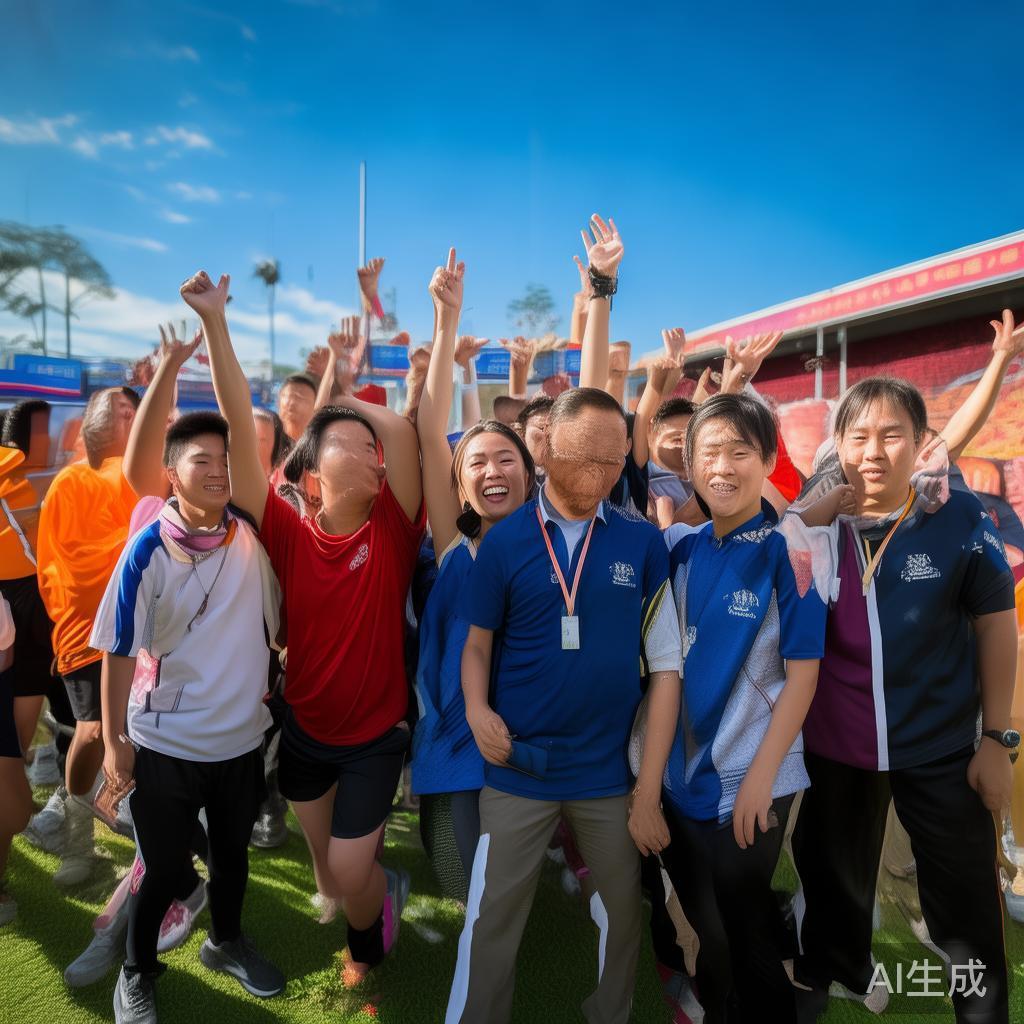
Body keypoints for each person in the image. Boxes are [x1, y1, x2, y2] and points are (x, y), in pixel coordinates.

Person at [189, 268, 425, 986]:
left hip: (376, 739)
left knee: (351, 871)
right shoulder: (287, 532)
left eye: (370, 447)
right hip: (306, 734)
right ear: (312, 476)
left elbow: (407, 440)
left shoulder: (391, 527)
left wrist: (346, 395)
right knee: (327, 873)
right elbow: (235, 423)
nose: (369, 452)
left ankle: (367, 943)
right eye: (347, 444)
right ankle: (368, 895)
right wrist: (215, 324)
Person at [445, 385, 682, 1024]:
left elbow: (665, 670)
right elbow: (475, 646)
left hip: (608, 772)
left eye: (614, 462)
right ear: (545, 448)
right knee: (494, 916)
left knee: (625, 912)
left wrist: (648, 790)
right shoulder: (504, 543)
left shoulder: (641, 543)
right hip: (516, 765)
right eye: (585, 459)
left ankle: (609, 1012)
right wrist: (475, 711)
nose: (600, 476)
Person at [791, 376, 1017, 1024]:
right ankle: (839, 973)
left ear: (921, 442)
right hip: (836, 752)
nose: (873, 450)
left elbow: (997, 623)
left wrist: (997, 740)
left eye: (892, 434)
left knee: (967, 912)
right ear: (838, 443)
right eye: (858, 435)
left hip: (942, 749)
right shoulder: (814, 520)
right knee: (833, 886)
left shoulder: (957, 514)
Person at [93, 398, 285, 1023]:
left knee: (232, 858)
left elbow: (277, 627)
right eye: (202, 460)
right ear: (171, 474)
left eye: (225, 459)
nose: (219, 470)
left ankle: (224, 942)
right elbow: (117, 649)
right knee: (164, 866)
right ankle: (135, 972)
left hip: (240, 742)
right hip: (165, 744)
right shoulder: (147, 549)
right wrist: (118, 742)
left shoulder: (250, 533)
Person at [660, 393, 828, 1023]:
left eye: (740, 451)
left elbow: (803, 677)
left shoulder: (796, 550)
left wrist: (761, 776)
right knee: (710, 924)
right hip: (682, 774)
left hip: (758, 773)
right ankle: (719, 1005)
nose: (723, 466)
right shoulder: (680, 547)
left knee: (743, 912)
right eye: (710, 451)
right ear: (690, 463)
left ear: (767, 460)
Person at [411, 249, 536, 902]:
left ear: (530, 476)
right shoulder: (452, 544)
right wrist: (445, 318)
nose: (492, 471)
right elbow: (432, 435)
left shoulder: (551, 546)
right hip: (450, 748)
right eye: (477, 462)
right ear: (460, 485)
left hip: (528, 751)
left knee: (509, 889)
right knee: (464, 887)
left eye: (507, 459)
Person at [34, 385, 140, 886]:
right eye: (122, 410)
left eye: (135, 413)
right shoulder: (72, 480)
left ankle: (134, 837)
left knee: (135, 738)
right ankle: (78, 836)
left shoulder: (140, 475)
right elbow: (68, 567)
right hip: (85, 633)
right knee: (93, 732)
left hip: (135, 633)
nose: (130, 418)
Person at [276, 373, 318, 444]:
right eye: (289, 396)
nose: (292, 402)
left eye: (301, 398)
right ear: (278, 402)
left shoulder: (320, 446)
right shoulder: (264, 438)